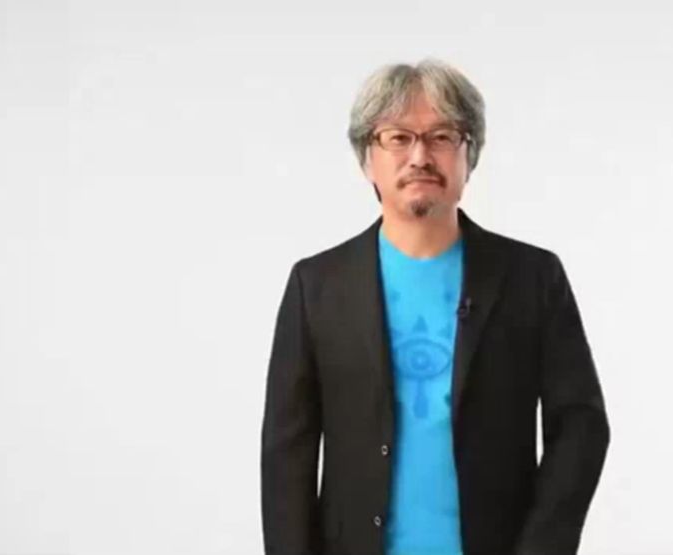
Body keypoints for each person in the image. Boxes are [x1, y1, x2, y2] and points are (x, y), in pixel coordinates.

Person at [261, 58, 610, 555]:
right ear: (367, 158)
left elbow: (580, 426)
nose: (420, 155)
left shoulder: (532, 278)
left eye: (443, 136)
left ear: (470, 155)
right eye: (398, 137)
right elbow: (286, 453)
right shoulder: (317, 286)